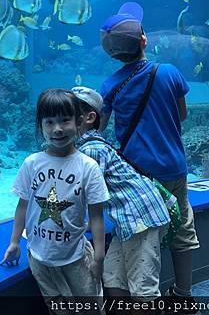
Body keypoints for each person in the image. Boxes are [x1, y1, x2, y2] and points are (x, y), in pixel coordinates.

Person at [99, 2, 200, 313]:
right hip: (174, 168)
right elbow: (181, 115)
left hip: (135, 174)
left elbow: (100, 128)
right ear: (145, 41)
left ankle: (131, 296)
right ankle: (182, 293)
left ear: (111, 53)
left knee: (138, 232)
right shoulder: (169, 72)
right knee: (181, 226)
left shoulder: (110, 85)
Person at [1, 89, 110, 314]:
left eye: (65, 120)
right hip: (39, 258)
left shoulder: (88, 166)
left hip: (75, 257)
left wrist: (99, 256)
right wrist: (14, 242)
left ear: (79, 122)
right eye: (49, 122)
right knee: (58, 308)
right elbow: (23, 206)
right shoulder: (32, 163)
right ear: (40, 125)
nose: (57, 129)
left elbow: (97, 216)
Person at [72, 86, 171, 306]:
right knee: (113, 278)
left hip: (140, 220)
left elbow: (84, 193)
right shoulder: (89, 146)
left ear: (89, 117)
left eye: (69, 112)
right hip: (128, 222)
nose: (62, 118)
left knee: (143, 287)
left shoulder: (90, 150)